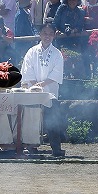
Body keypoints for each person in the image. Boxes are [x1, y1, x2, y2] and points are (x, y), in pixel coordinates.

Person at [21, 21, 65, 157]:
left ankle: (56, 148)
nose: (47, 36)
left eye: (50, 34)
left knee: (53, 120)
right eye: (45, 33)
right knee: (32, 118)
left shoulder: (57, 54)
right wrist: (35, 85)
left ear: (54, 36)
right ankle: (31, 145)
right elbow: (28, 70)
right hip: (33, 90)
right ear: (40, 34)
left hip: (50, 90)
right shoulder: (32, 51)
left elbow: (57, 73)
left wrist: (43, 84)